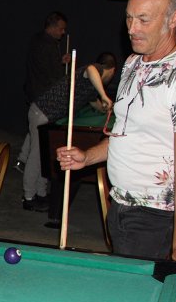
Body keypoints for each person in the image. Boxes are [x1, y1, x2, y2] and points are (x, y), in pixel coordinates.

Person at [56, 0, 176, 277]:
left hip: (153, 219)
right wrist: (87, 157)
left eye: (143, 20)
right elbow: (126, 133)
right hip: (120, 206)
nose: (132, 29)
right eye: (129, 18)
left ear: (173, 19)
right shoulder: (134, 62)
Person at [22, 52, 116, 212]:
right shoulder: (94, 70)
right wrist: (104, 95)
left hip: (47, 116)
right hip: (42, 113)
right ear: (112, 70)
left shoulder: (90, 86)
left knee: (43, 158)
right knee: (37, 157)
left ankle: (41, 194)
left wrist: (106, 107)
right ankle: (28, 198)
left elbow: (97, 105)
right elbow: (91, 69)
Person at [15, 11, 71, 173]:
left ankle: (21, 160)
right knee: (38, 137)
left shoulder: (38, 39)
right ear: (52, 27)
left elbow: (45, 66)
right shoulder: (47, 45)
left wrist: (60, 61)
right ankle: (29, 175)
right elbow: (52, 74)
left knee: (35, 128)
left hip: (36, 92)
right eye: (61, 29)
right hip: (43, 97)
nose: (63, 32)